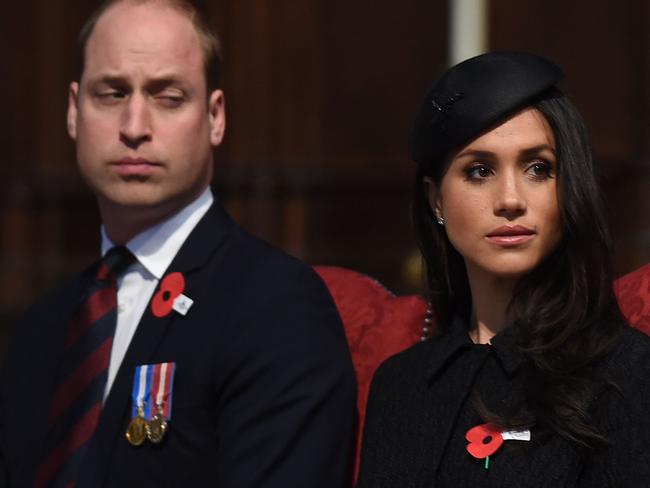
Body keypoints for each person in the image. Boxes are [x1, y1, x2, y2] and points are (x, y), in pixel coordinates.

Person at [0, 1, 356, 487]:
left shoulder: (275, 304)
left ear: (214, 117)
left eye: (168, 97)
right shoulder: (42, 326)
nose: (134, 127)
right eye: (111, 94)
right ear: (73, 111)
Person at [356, 52, 650, 487]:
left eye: (538, 169)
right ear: (436, 200)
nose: (510, 199)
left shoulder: (629, 373)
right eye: (479, 171)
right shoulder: (401, 384)